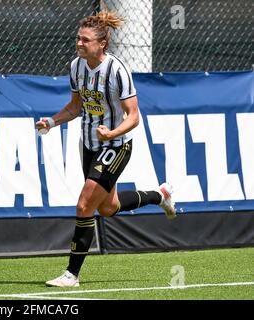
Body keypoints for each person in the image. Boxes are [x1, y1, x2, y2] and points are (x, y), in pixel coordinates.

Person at [35, 9, 176, 288]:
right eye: (78, 38)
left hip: (115, 144)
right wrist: (52, 121)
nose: (79, 44)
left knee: (85, 204)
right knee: (109, 207)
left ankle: (71, 275)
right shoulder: (76, 66)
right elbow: (75, 107)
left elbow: (134, 116)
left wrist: (111, 132)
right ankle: (160, 195)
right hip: (88, 143)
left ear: (101, 44)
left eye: (85, 40)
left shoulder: (117, 71)